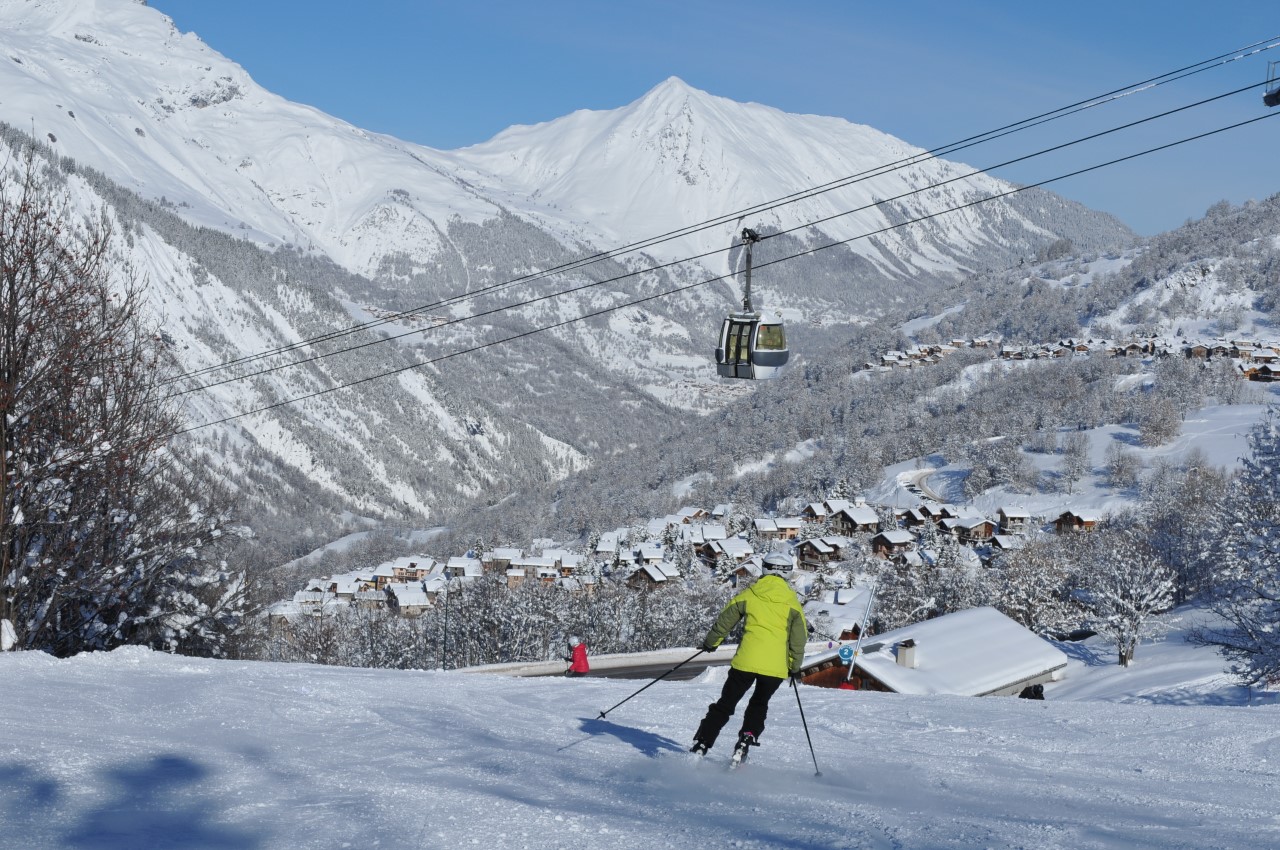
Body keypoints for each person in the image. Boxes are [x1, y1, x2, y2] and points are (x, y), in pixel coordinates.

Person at [690, 553, 807, 764]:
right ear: (788, 572)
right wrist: (794, 666)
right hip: (774, 668)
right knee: (759, 704)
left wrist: (711, 643)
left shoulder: (750, 595)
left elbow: (725, 620)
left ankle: (702, 743)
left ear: (764, 569)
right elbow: (799, 639)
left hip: (745, 662)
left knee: (725, 704)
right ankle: (746, 738)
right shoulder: (792, 603)